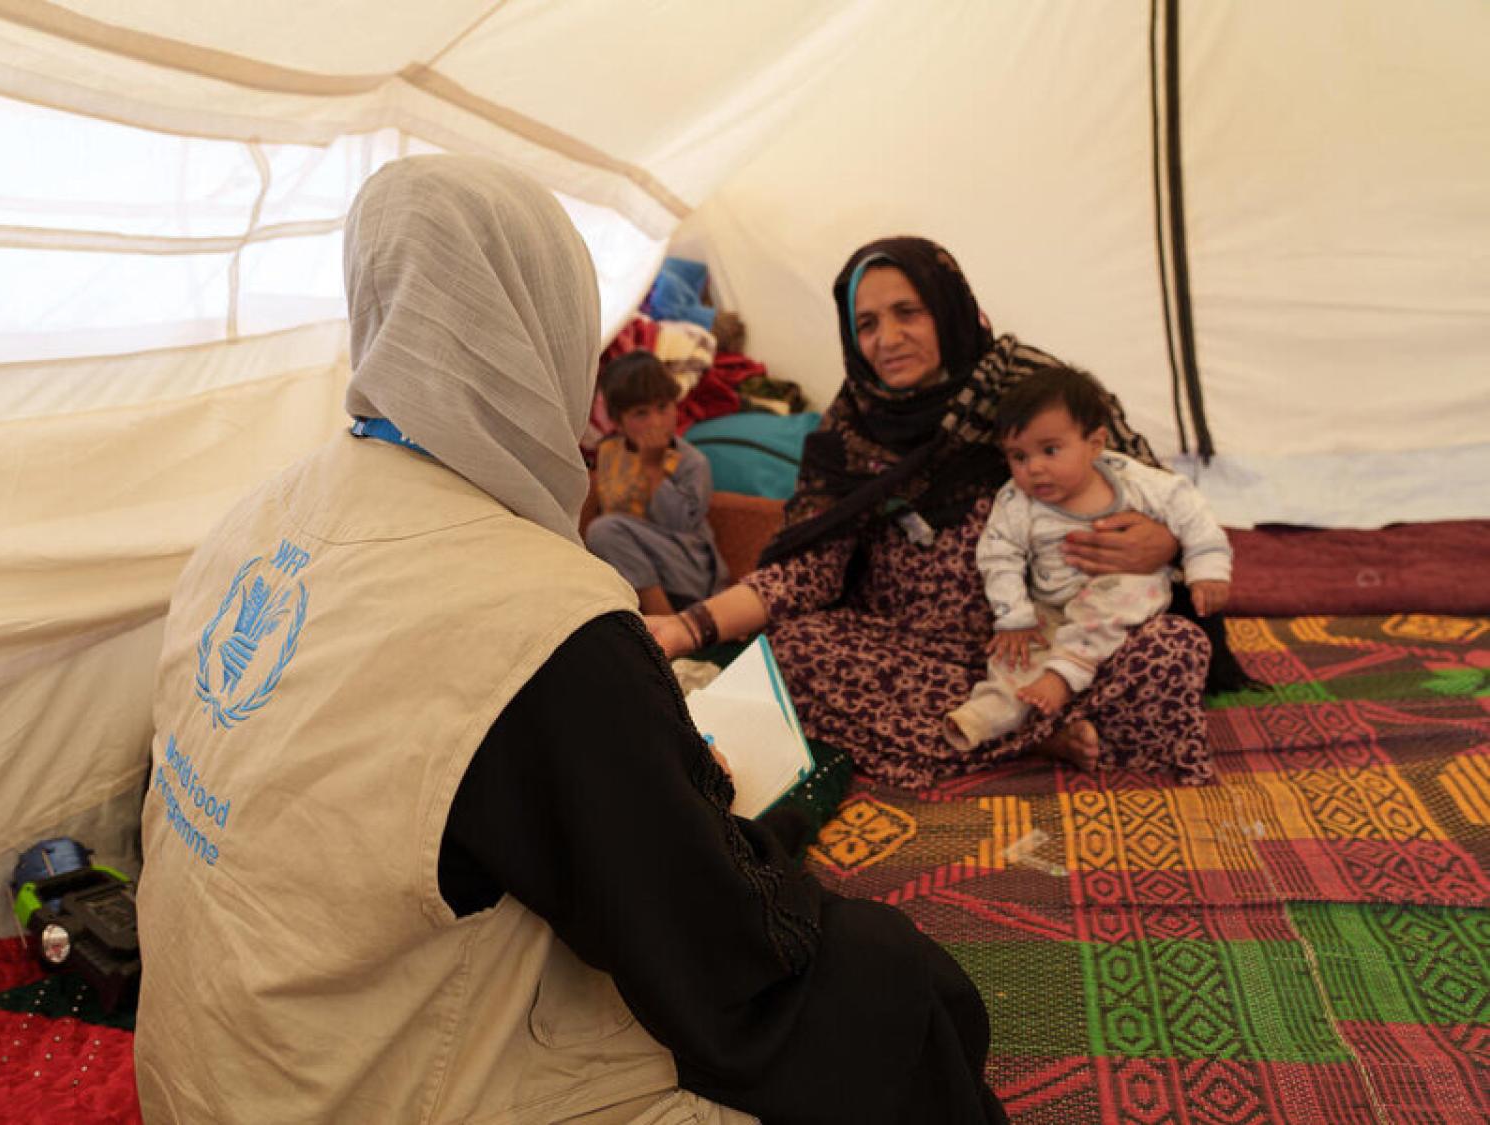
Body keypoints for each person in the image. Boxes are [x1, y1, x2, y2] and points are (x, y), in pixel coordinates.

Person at [134, 158, 1005, 1124]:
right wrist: (695, 796)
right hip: (368, 1084)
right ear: (543, 330)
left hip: (204, 1065)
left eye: (905, 315)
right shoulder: (540, 611)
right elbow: (715, 946)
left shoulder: (253, 518)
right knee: (894, 984)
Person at [648, 237, 1229, 788]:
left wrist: (1167, 544)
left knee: (1171, 649)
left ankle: (1010, 721)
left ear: (949, 311)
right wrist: (685, 626)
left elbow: (1154, 490)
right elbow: (807, 572)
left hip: (1048, 637)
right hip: (910, 649)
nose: (888, 338)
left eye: (908, 312)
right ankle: (1033, 733)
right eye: (867, 324)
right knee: (796, 652)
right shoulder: (851, 428)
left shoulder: (1032, 393)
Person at [944, 366, 1232, 762]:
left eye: (1050, 450)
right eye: (1018, 456)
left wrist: (1207, 567)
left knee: (1131, 589)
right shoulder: (1016, 501)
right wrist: (1015, 617)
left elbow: (1191, 512)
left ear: (1095, 443)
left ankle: (1064, 676)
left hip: (1119, 609)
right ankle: (990, 713)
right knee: (1016, 652)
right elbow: (999, 555)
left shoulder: (1133, 481)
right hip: (1051, 609)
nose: (1034, 468)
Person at [585, 350, 729, 615]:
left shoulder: (692, 463)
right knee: (602, 534)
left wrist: (653, 467)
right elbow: (603, 503)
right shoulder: (609, 452)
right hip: (631, 564)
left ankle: (669, 629)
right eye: (641, 414)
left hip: (690, 574)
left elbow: (679, 523)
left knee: (604, 531)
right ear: (618, 422)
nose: (656, 422)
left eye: (663, 407)